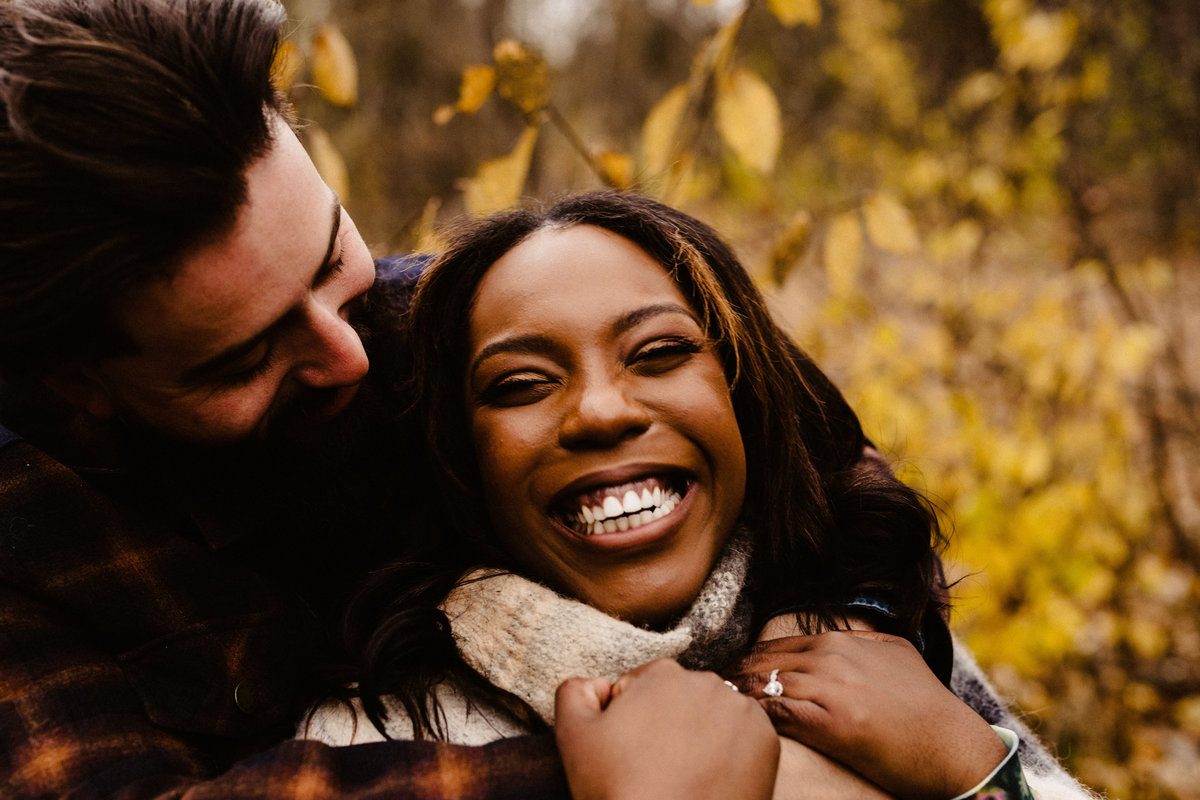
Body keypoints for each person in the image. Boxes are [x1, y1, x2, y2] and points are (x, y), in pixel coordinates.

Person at [0, 2, 782, 798]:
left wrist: (853, 637)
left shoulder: (435, 320)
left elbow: (806, 448)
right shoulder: (26, 536)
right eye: (247, 359)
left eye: (333, 256)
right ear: (80, 381)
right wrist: (640, 772)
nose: (350, 355)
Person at [301, 192, 1098, 800]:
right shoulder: (368, 742)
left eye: (659, 352)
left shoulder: (869, 638)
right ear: (460, 460)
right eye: (522, 384)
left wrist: (975, 768)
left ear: (742, 400)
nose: (603, 411)